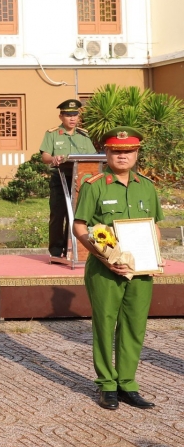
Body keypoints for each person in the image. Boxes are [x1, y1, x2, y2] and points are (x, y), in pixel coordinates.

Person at [72, 127, 162, 411]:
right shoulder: (94, 185)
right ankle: (107, 385)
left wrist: (154, 255)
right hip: (104, 269)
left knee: (134, 326)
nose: (122, 156)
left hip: (141, 270)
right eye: (116, 151)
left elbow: (155, 226)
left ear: (136, 153)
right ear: (106, 153)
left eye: (128, 151)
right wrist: (104, 257)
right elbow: (79, 226)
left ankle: (128, 383)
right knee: (104, 325)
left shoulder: (147, 186)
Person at [40, 99, 96, 259]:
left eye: (75, 114)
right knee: (58, 215)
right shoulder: (52, 134)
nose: (72, 118)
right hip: (61, 178)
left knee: (80, 215)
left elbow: (92, 157)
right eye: (68, 115)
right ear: (61, 117)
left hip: (81, 181)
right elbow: (45, 156)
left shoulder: (83, 136)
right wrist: (53, 158)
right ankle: (57, 252)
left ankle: (78, 250)